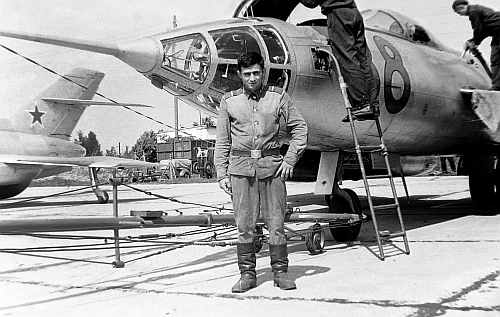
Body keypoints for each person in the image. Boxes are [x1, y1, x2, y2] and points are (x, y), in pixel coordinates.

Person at [214, 52, 308, 293]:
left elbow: (300, 129)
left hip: (273, 169)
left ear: (263, 72)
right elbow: (223, 141)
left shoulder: (278, 98)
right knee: (244, 226)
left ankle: (280, 273)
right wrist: (222, 173)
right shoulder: (229, 102)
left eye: (256, 73)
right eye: (247, 74)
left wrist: (290, 160)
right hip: (241, 172)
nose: (252, 78)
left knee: (276, 224)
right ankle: (247, 275)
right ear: (239, 75)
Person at [300, 0, 380, 122]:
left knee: (347, 59)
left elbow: (311, 2)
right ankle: (373, 105)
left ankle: (361, 104)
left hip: (338, 14)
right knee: (363, 60)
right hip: (354, 13)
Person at [453, 0, 500, 91]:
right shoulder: (477, 10)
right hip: (496, 34)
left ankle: (497, 86)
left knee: (496, 60)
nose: (460, 15)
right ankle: (497, 86)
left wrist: (475, 41)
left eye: (459, 12)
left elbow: (478, 29)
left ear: (462, 7)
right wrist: (473, 40)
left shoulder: (473, 11)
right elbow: (484, 30)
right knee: (495, 60)